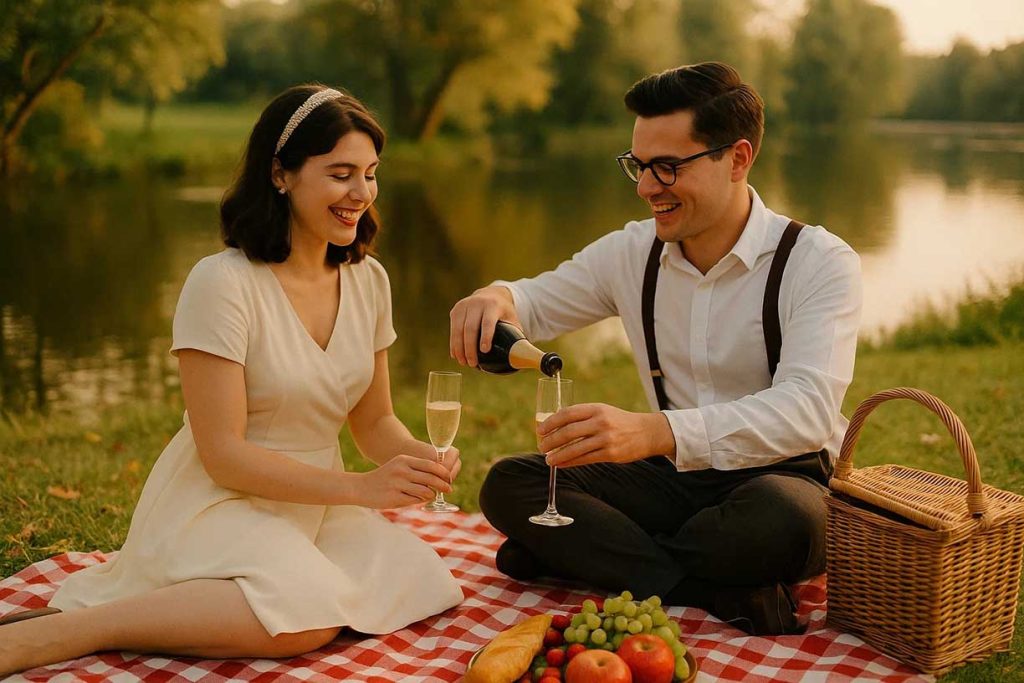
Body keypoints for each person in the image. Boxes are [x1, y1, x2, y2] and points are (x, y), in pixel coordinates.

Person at [0, 85, 463, 676]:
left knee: (419, 580)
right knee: (307, 614)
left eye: (371, 174)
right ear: (281, 174)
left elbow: (373, 422)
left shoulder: (370, 280)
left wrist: (420, 458)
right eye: (341, 173)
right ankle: (77, 630)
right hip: (221, 499)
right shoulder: (222, 283)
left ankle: (216, 599)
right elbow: (222, 456)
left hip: (314, 502)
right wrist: (361, 490)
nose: (361, 194)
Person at [449, 62, 861, 636]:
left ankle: (579, 556)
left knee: (785, 525)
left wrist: (656, 432)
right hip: (676, 481)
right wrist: (495, 295)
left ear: (737, 159)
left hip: (785, 477)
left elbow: (807, 409)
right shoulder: (633, 251)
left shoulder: (817, 261)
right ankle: (710, 587)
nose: (646, 188)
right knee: (512, 484)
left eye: (668, 167)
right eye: (638, 166)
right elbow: (533, 302)